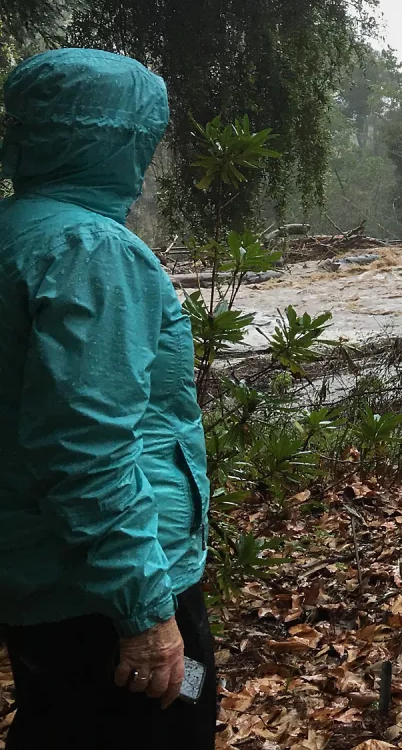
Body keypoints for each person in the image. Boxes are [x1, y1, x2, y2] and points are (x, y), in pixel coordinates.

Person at [0, 48, 217, 748]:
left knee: (55, 723)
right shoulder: (91, 249)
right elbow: (86, 447)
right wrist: (147, 616)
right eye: (143, 140)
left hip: (36, 580)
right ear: (113, 139)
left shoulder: (17, 233)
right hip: (106, 594)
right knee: (170, 718)